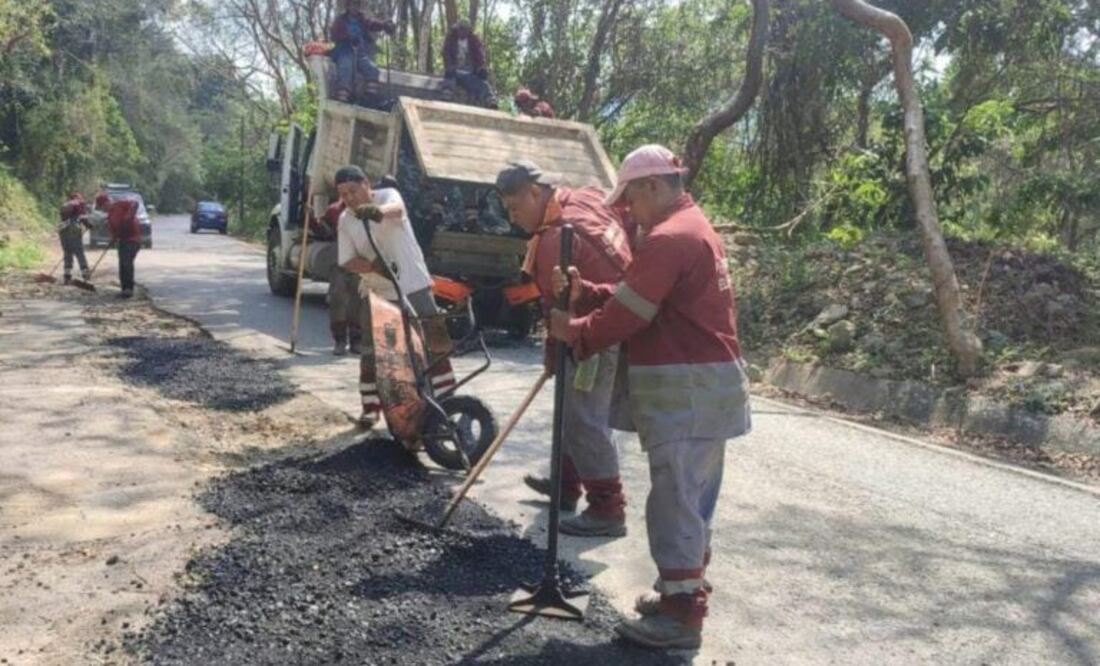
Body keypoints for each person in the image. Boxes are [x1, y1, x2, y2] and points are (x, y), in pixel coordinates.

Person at [547, 145, 751, 650]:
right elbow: (647, 299)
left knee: (676, 502)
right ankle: (680, 593)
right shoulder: (691, 228)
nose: (627, 212)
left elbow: (630, 315)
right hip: (708, 387)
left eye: (631, 199)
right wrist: (590, 291)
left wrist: (575, 331)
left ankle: (682, 619)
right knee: (693, 500)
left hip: (689, 390)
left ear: (654, 187)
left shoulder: (669, 238)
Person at [496, 160, 632, 537]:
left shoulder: (557, 240)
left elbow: (554, 305)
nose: (512, 218)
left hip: (597, 332)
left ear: (536, 192)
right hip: (614, 314)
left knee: (585, 418)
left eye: (514, 207)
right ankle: (565, 486)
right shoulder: (586, 196)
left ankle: (608, 507)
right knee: (569, 408)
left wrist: (552, 348)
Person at [334, 166, 455, 427]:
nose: (350, 198)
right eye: (343, 194)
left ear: (367, 184)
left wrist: (375, 212)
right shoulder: (345, 220)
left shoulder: (388, 195)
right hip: (379, 292)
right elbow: (346, 260)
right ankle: (370, 409)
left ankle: (448, 402)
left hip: (414, 283)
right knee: (374, 352)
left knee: (435, 343)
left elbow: (398, 211)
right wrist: (372, 267)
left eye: (353, 191)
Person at [329, 0, 396, 102]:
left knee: (372, 69)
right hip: (344, 52)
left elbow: (372, 24)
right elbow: (334, 35)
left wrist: (384, 25)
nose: (354, 7)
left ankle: (369, 98)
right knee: (346, 67)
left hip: (360, 53)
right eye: (351, 4)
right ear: (347, 6)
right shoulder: (340, 20)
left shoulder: (362, 19)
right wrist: (348, 38)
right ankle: (342, 97)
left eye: (356, 4)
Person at [322, 199, 363, 356]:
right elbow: (324, 230)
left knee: (357, 300)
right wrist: (311, 219)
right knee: (338, 298)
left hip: (360, 260)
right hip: (340, 260)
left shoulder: (366, 210)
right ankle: (339, 340)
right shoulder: (334, 210)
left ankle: (356, 340)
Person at [442, 19, 493, 104]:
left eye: (464, 29)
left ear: (468, 30)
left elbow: (479, 55)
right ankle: (447, 92)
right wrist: (449, 65)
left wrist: (480, 68)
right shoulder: (451, 39)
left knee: (481, 80)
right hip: (455, 68)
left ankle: (488, 98)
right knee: (450, 75)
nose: (461, 31)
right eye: (460, 29)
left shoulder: (474, 40)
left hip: (470, 70)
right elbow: (446, 53)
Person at [107, 198, 142, 298]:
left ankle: (129, 289)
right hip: (122, 240)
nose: (104, 209)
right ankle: (124, 288)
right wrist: (112, 239)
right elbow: (113, 230)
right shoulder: (109, 216)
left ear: (107, 203)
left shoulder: (120, 204)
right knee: (122, 263)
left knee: (127, 262)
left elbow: (135, 203)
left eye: (104, 206)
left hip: (133, 239)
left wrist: (129, 215)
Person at [58, 192, 92, 285]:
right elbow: (83, 218)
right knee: (79, 253)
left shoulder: (65, 205)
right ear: (78, 198)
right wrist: (88, 225)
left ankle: (67, 277)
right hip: (74, 231)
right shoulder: (79, 204)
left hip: (63, 231)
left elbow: (62, 217)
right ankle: (86, 276)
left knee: (67, 253)